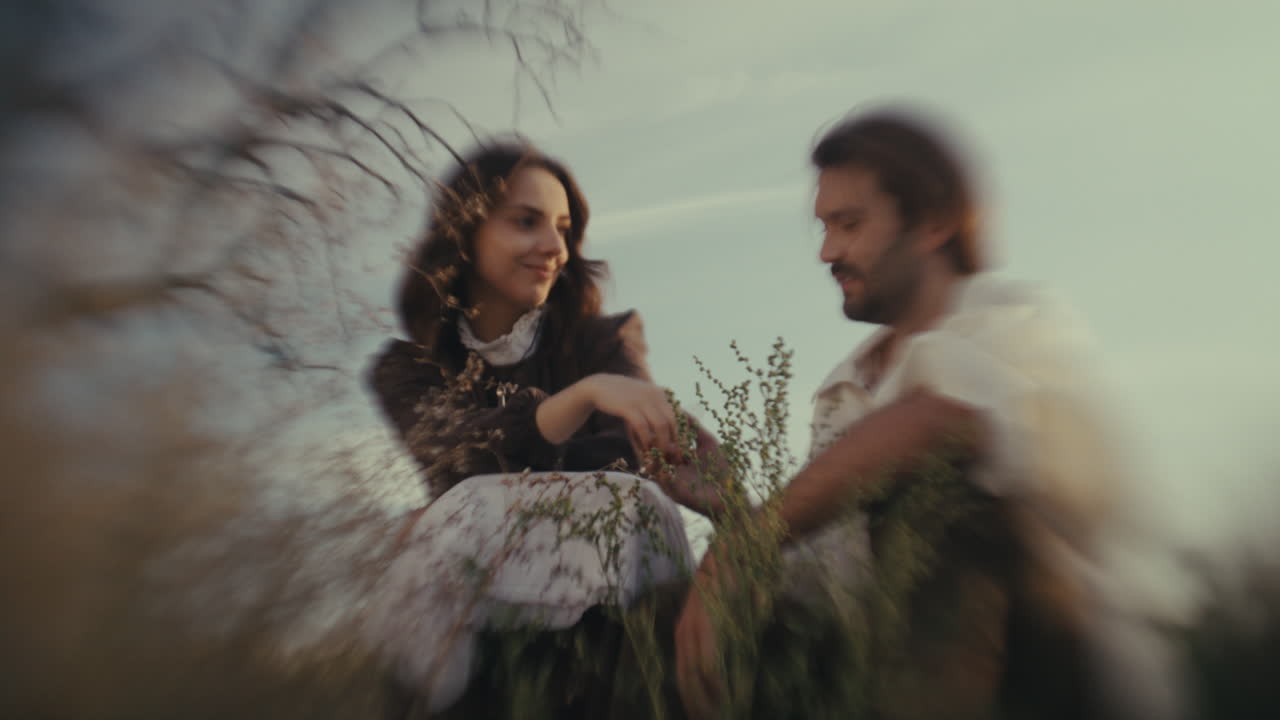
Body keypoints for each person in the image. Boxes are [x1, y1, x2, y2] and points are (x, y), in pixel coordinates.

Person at [669, 107, 1164, 720]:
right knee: (671, 611)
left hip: (1064, 681)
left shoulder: (1017, 322)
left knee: (933, 498)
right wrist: (729, 507)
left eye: (849, 224)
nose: (827, 251)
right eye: (824, 227)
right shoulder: (846, 393)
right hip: (893, 678)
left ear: (933, 223)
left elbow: (938, 424)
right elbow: (826, 588)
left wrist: (742, 549)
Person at [362, 139, 724, 716]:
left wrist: (467, 498)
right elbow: (455, 455)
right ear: (466, 231)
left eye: (563, 228)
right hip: (476, 634)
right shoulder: (406, 368)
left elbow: (627, 461)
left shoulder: (602, 341)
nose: (555, 248)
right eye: (526, 222)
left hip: (608, 622)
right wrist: (581, 400)